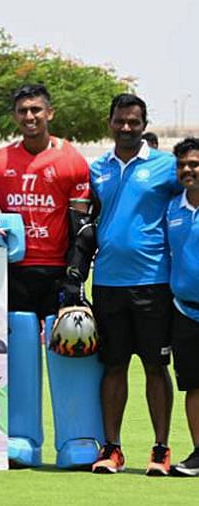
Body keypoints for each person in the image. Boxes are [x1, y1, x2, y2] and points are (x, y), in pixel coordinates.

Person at [90, 94, 181, 476]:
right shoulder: (97, 168)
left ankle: (160, 449)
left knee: (155, 368)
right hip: (107, 282)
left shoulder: (167, 167)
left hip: (153, 283)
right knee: (113, 367)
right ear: (110, 122)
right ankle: (112, 448)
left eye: (134, 122)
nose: (126, 127)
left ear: (144, 125)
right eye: (120, 121)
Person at [0, 84, 91, 319]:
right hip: (11, 268)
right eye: (22, 111)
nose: (29, 116)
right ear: (14, 116)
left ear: (50, 113)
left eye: (36, 109)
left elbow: (82, 227)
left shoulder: (72, 160)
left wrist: (74, 274)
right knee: (18, 339)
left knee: (59, 340)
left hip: (56, 269)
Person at [165, 137, 199, 476]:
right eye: (183, 165)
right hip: (185, 311)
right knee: (193, 385)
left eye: (195, 164)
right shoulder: (172, 208)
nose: (188, 169)